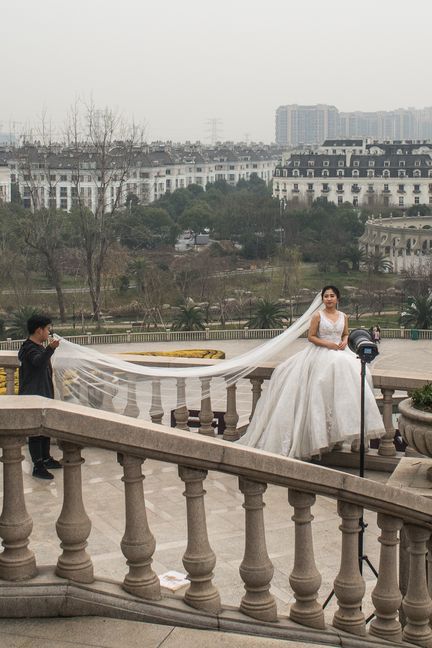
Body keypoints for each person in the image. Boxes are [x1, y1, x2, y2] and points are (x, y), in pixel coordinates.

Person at [238, 286, 385, 459]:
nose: (329, 299)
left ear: (337, 298)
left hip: (340, 351)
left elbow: (345, 333)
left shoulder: (343, 316)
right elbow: (311, 337)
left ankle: (344, 432)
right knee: (321, 382)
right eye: (326, 296)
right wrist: (329, 344)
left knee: (359, 373)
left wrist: (344, 341)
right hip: (321, 351)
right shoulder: (318, 316)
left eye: (332, 296)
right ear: (322, 299)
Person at [18, 314, 62, 479]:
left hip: (42, 394)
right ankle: (38, 466)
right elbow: (38, 362)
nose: (49, 332)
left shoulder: (37, 347)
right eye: (47, 329)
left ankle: (46, 458)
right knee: (36, 432)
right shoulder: (29, 348)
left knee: (45, 428)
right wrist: (51, 348)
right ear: (39, 331)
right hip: (32, 396)